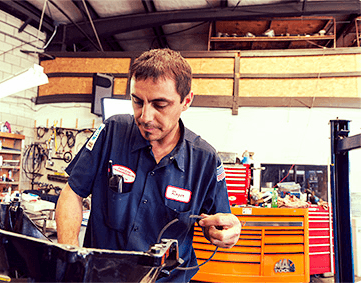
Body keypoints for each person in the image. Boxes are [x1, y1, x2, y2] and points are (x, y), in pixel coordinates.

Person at [55, 48, 241, 282]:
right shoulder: (112, 132)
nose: (145, 116)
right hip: (102, 277)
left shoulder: (205, 161)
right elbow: (72, 193)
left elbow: (223, 222)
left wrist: (229, 230)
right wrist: (71, 259)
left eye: (160, 104)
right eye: (137, 101)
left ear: (186, 101)